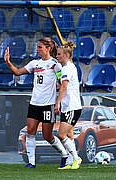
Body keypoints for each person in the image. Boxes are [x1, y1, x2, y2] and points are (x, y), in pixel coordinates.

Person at [4, 37, 68, 168]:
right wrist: (8, 62)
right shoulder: (34, 63)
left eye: (40, 47)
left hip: (47, 105)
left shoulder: (55, 65)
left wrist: (58, 99)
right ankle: (31, 163)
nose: (37, 50)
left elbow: (63, 83)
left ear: (48, 49)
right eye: (37, 47)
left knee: (47, 136)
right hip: (34, 104)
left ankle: (64, 154)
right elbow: (17, 72)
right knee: (30, 132)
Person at [54, 42, 82, 170]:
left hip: (72, 107)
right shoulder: (66, 67)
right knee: (70, 135)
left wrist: (57, 102)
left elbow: (63, 87)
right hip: (68, 107)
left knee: (61, 135)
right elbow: (60, 85)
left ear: (66, 55)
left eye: (59, 54)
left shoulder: (67, 68)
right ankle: (71, 162)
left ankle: (76, 158)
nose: (57, 56)